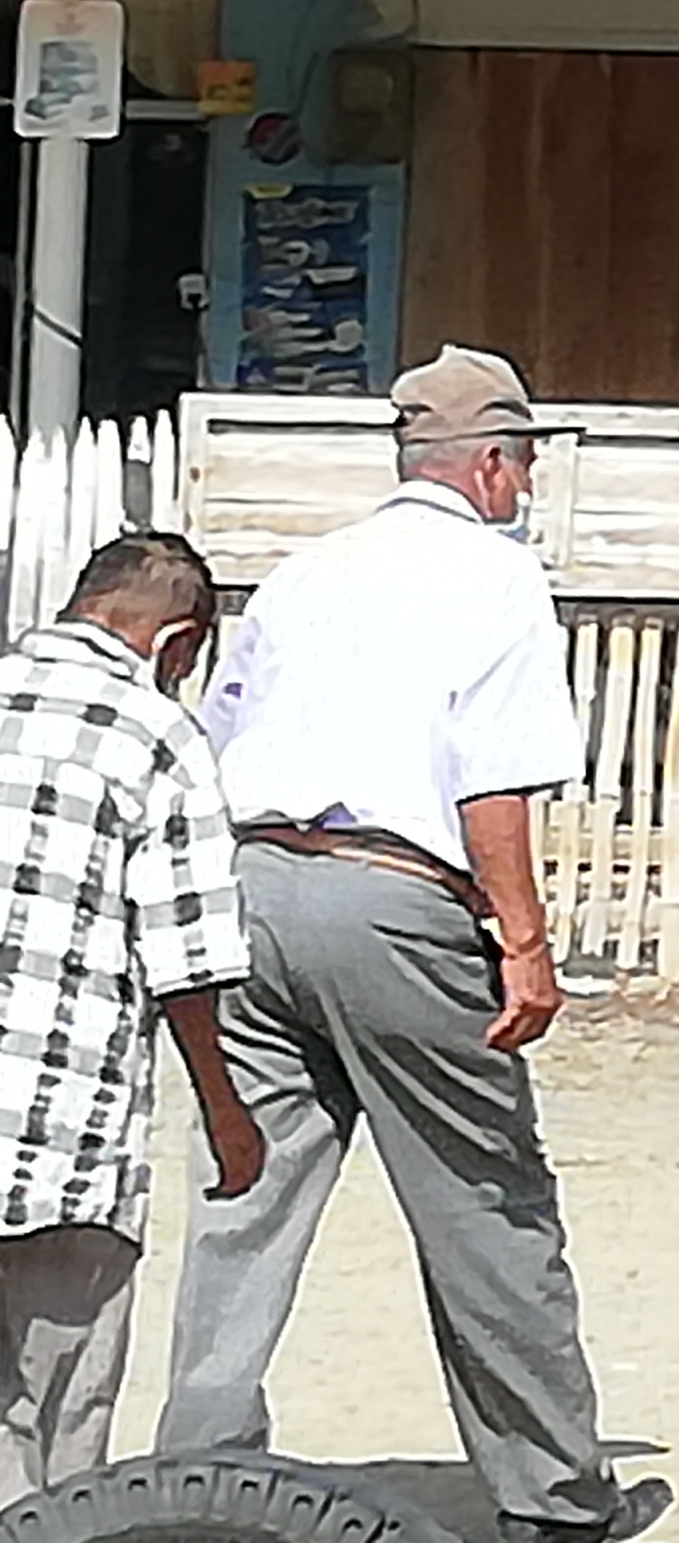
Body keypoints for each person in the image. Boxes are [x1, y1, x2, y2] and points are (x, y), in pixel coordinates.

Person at [162, 347, 637, 1543]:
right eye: (523, 464)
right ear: (491, 466)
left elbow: (216, 739)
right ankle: (555, 1494)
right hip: (392, 899)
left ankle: (194, 1468)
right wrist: (525, 943)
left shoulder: (304, 572)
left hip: (254, 888)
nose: (525, 485)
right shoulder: (497, 576)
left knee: (244, 1194)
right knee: (485, 1200)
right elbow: (494, 783)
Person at [0, 533, 263, 1498]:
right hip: (62, 1131)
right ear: (175, 641)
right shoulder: (159, 736)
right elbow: (185, 958)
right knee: (57, 1402)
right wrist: (225, 1111)